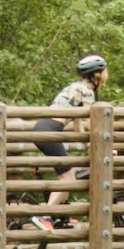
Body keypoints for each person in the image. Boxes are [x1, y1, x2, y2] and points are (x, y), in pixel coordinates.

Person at [30, 54, 109, 231]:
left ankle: (62, 215)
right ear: (96, 74)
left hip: (42, 129)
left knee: (68, 173)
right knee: (68, 178)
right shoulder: (87, 92)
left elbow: (79, 127)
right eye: (104, 71)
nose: (106, 75)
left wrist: (90, 147)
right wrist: (105, 147)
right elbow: (92, 122)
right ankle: (44, 215)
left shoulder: (75, 88)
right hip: (49, 132)